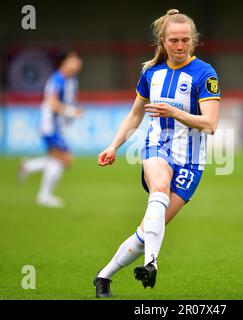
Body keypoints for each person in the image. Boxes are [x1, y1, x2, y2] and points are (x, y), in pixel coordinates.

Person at [94, 9, 221, 298]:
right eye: (174, 40)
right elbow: (134, 116)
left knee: (148, 229)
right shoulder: (151, 73)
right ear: (162, 41)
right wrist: (114, 146)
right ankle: (152, 263)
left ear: (194, 41)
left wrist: (174, 111)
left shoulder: (205, 73)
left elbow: (210, 124)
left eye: (186, 40)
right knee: (159, 188)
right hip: (156, 147)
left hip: (191, 160)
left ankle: (103, 276)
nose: (180, 46)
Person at [18, 49, 83, 208]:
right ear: (64, 62)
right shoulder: (57, 79)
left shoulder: (72, 79)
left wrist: (70, 113)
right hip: (50, 125)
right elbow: (52, 102)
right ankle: (44, 195)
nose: (78, 62)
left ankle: (29, 167)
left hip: (59, 126)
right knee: (65, 159)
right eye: (73, 59)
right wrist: (70, 112)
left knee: (58, 159)